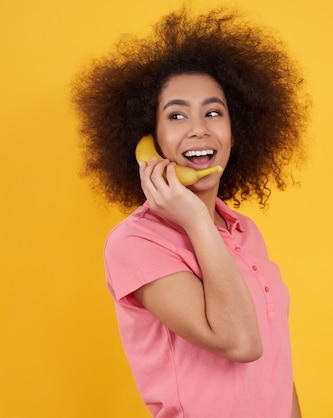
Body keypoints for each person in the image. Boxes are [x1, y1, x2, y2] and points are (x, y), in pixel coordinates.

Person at [72, 7, 308, 418]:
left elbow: (275, 366)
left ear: (238, 130)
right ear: (150, 138)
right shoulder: (135, 242)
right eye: (177, 115)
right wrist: (197, 220)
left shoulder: (243, 230)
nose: (199, 128)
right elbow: (241, 342)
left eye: (213, 112)